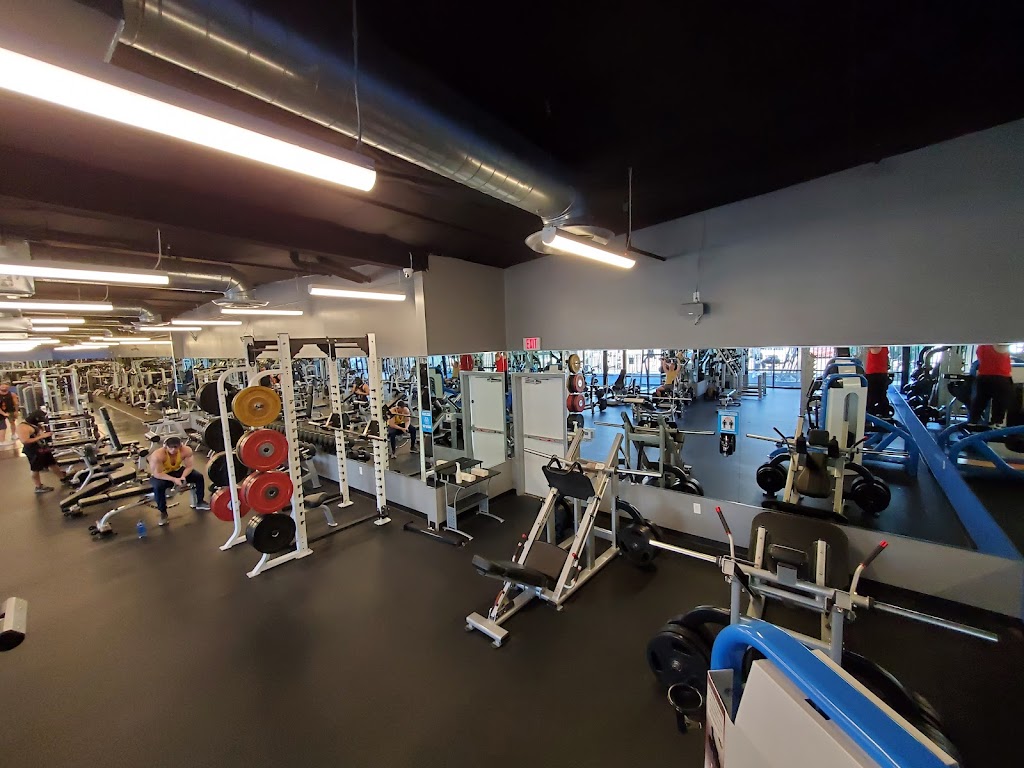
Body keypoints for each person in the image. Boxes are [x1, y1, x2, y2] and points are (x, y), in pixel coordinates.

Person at [148, 435, 208, 525]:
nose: (173, 450)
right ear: (166, 446)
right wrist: (174, 480)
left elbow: (189, 467)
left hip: (178, 470)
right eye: (171, 448)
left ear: (180, 446)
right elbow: (157, 474)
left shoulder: (186, 450)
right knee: (158, 487)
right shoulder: (158, 455)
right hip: (162, 475)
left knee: (198, 476)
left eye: (176, 448)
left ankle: (200, 502)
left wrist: (183, 477)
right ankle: (163, 512)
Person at [16, 409, 68, 493]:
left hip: (42, 448)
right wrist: (41, 436)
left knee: (52, 463)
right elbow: (25, 441)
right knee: (35, 469)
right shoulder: (22, 427)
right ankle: (38, 486)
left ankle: (63, 479)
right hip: (33, 451)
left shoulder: (35, 424)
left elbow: (40, 434)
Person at [969, 344, 1020, 425]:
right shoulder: (999, 343)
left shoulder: (982, 345)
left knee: (980, 401)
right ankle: (996, 423)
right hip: (1001, 377)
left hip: (983, 377)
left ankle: (973, 422)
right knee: (1001, 402)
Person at [864, 346, 890, 416]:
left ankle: (873, 414)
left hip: (875, 374)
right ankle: (883, 413)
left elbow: (875, 351)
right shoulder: (883, 346)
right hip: (877, 373)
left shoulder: (878, 345)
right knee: (879, 395)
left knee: (872, 397)